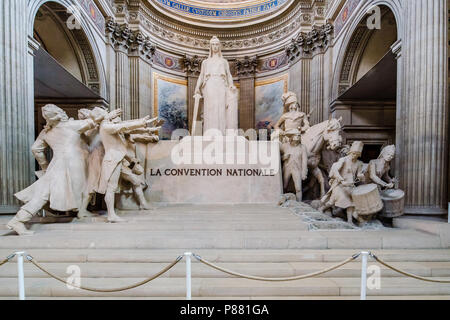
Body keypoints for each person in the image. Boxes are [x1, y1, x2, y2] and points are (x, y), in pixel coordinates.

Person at [7, 105, 99, 235]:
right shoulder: (71, 125)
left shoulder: (46, 132)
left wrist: (45, 166)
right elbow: (95, 120)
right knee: (48, 192)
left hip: (57, 163)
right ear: (60, 113)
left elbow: (36, 149)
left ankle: (20, 219)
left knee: (47, 191)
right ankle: (19, 220)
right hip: (73, 163)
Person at [94, 108, 158, 223]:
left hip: (117, 159)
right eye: (107, 113)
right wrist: (141, 122)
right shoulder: (106, 126)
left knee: (118, 186)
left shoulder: (108, 125)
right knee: (111, 188)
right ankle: (111, 215)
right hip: (112, 160)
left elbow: (125, 125)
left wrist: (142, 122)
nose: (110, 113)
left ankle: (113, 214)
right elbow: (123, 126)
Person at [194, 36, 237, 135]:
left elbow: (228, 75)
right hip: (209, 85)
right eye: (213, 44)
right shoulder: (205, 62)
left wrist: (231, 85)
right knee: (209, 109)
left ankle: (221, 132)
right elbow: (201, 75)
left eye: (217, 44)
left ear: (219, 46)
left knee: (220, 108)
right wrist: (197, 87)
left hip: (221, 85)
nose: (215, 46)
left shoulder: (224, 61)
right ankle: (209, 132)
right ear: (210, 46)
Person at [319, 141, 365, 224]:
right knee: (332, 201)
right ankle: (322, 208)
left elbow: (358, 175)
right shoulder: (343, 160)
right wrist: (341, 180)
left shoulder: (359, 163)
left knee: (351, 202)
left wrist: (361, 176)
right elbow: (335, 171)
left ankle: (350, 220)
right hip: (340, 185)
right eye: (353, 153)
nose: (354, 156)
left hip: (350, 186)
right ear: (350, 152)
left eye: (357, 154)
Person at [280, 130, 309, 202]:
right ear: (292, 137)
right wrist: (284, 157)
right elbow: (277, 158)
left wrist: (304, 172)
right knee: (283, 186)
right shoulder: (285, 146)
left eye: (299, 135)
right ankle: (282, 201)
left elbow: (304, 161)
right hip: (287, 168)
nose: (299, 137)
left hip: (297, 169)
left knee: (298, 188)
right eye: (297, 135)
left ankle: (299, 203)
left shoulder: (302, 147)